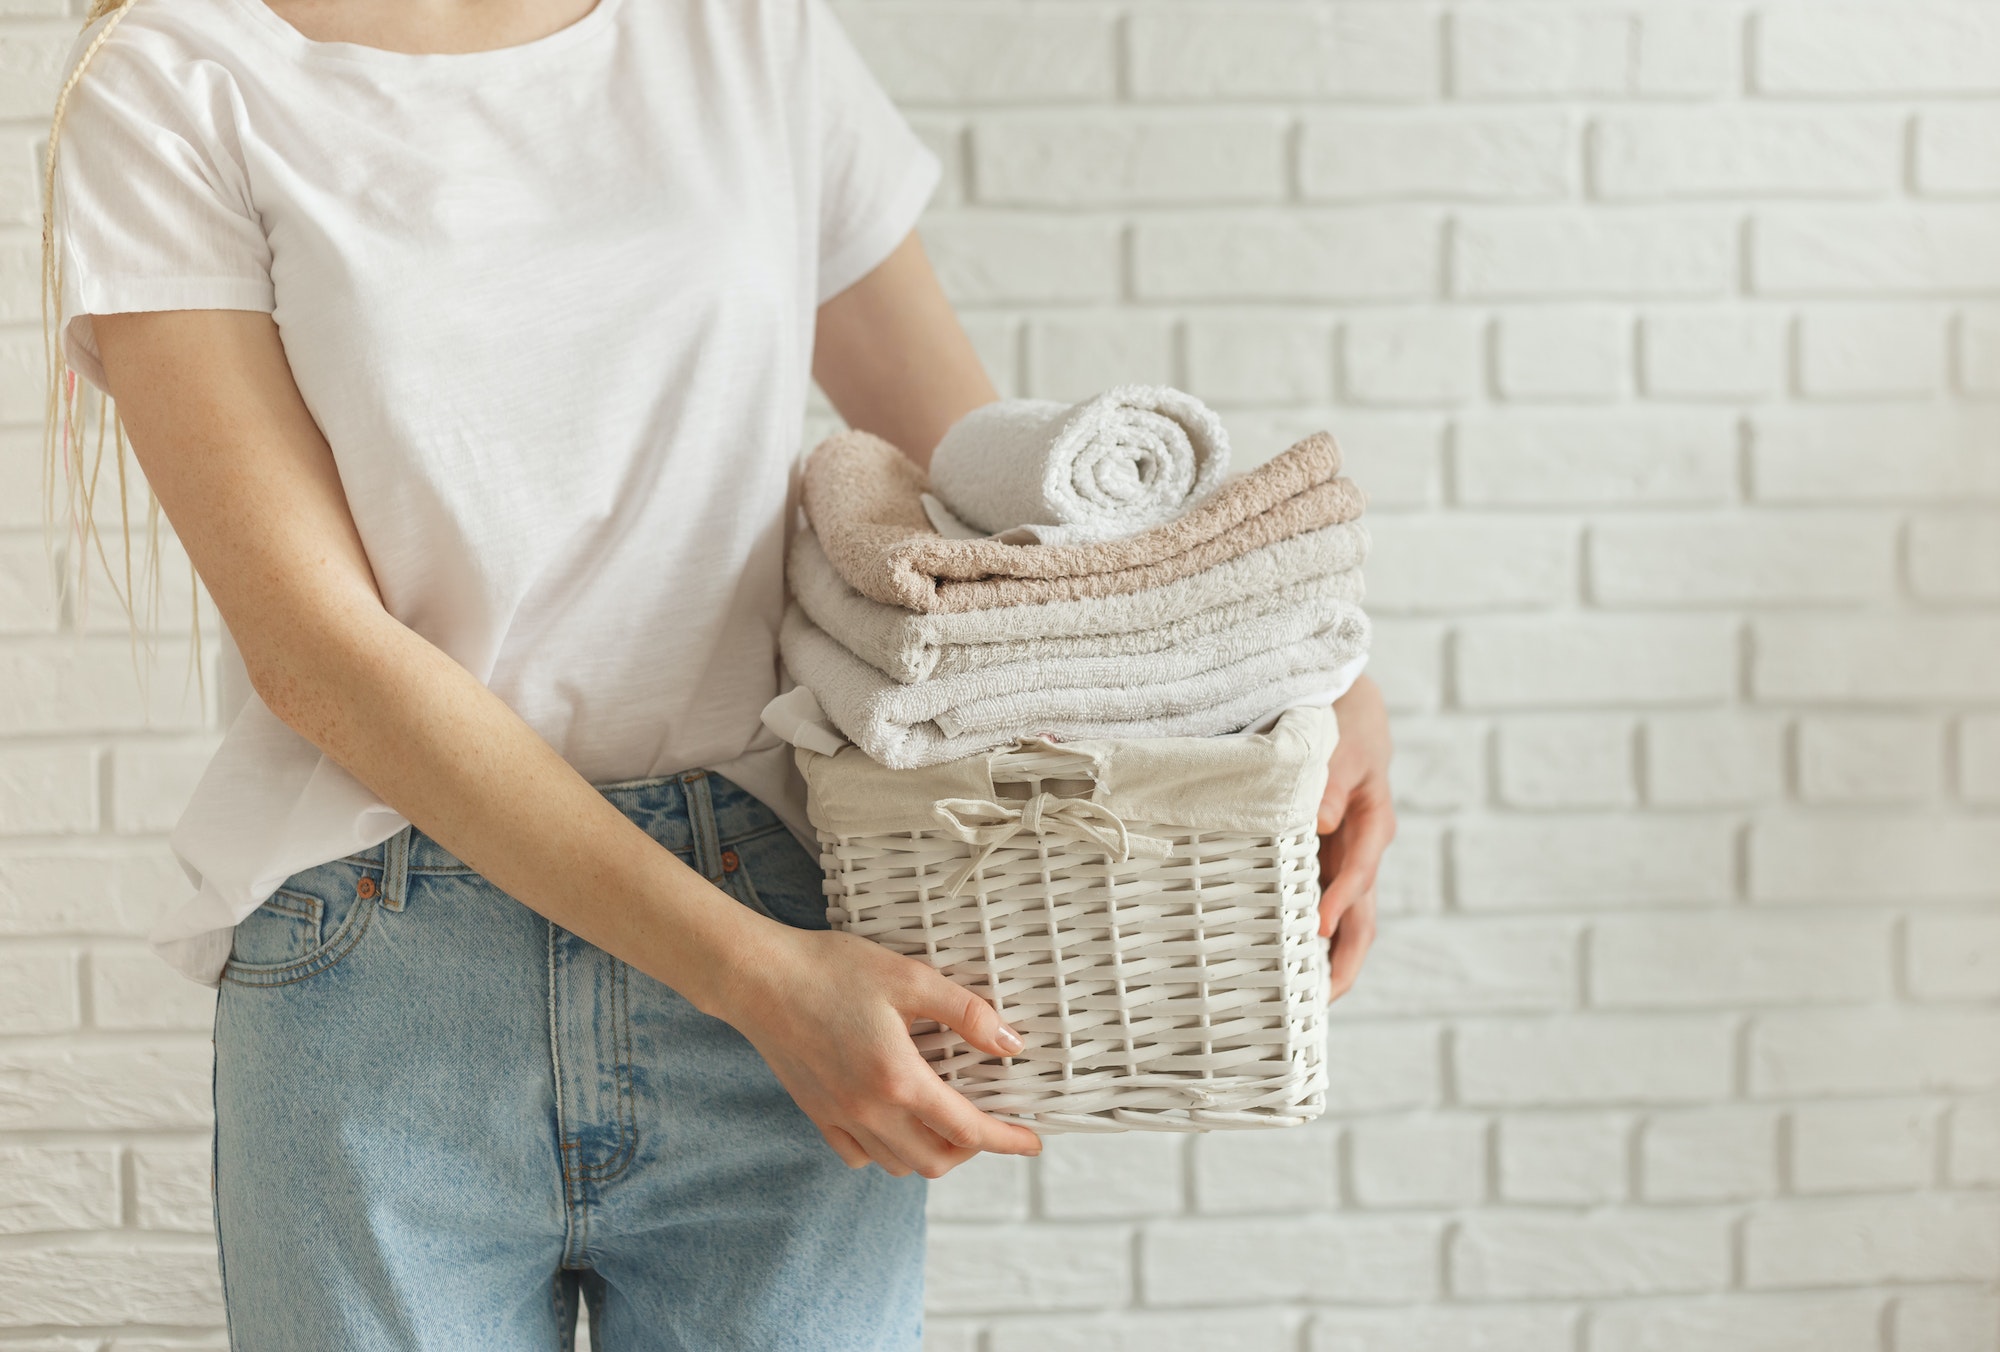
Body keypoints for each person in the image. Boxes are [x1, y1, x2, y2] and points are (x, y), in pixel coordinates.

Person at [39, 0, 1397, 1343]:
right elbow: (319, 655)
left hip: (779, 922)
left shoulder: (740, 32)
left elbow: (985, 495)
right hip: (397, 970)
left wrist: (1283, 665)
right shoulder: (177, 76)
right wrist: (750, 975)